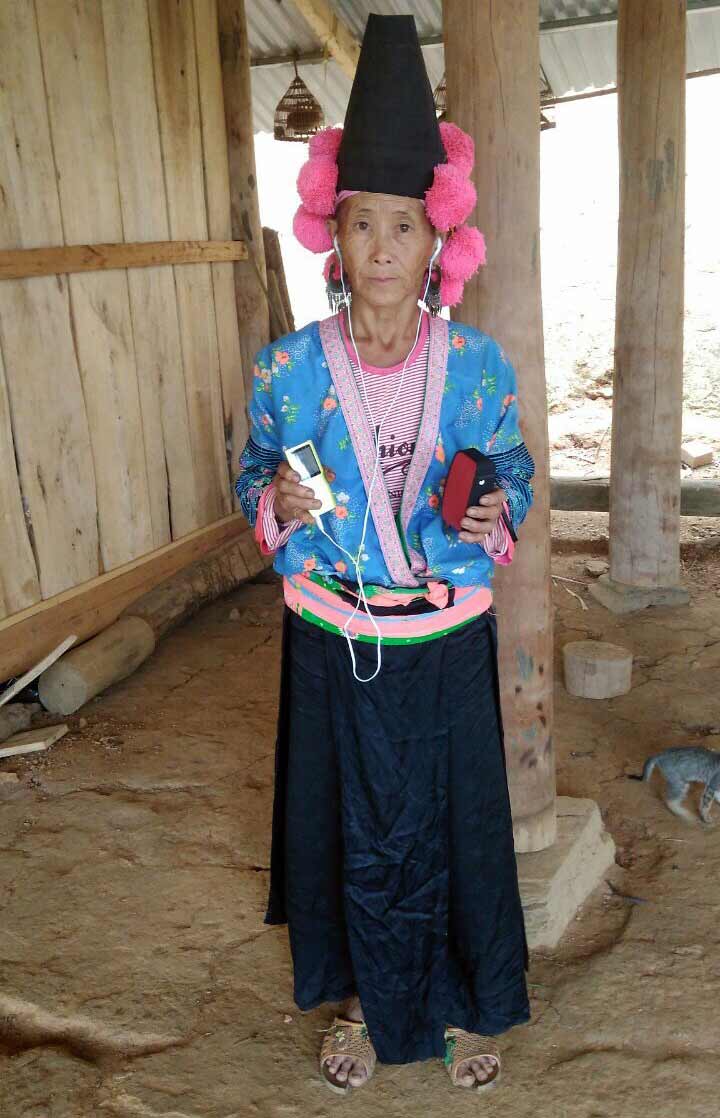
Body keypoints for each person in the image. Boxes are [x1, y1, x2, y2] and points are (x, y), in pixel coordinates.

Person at [234, 13, 535, 1095]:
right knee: (351, 829)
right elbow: (252, 479)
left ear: (436, 242)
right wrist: (272, 494)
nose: (383, 250)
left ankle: (457, 1006)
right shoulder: (285, 373)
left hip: (446, 637)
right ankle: (364, 1005)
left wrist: (490, 501)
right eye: (364, 225)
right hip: (336, 636)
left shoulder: (482, 367)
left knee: (453, 826)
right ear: (336, 233)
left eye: (405, 227)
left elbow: (518, 479)